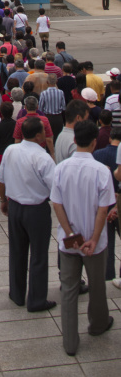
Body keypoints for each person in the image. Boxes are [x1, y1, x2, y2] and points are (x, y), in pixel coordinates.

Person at [51, 120, 115, 356]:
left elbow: (56, 203)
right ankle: (98, 324)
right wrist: (94, 239)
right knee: (97, 285)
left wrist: (70, 234)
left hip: (69, 240)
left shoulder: (60, 168)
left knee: (69, 290)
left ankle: (70, 341)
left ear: (75, 140)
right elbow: (102, 209)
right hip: (94, 242)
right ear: (95, 141)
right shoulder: (101, 171)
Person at [0, 116, 56, 312]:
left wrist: (4, 200)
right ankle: (37, 300)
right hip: (36, 209)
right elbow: (55, 187)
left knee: (17, 251)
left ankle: (17, 294)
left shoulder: (11, 150)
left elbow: (1, 178)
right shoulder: (43, 157)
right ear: (39, 135)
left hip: (15, 207)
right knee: (38, 255)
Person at [93, 126, 121, 280]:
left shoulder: (98, 155)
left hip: (104, 203)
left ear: (110, 138)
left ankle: (108, 275)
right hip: (119, 202)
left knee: (108, 241)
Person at [54, 99, 88, 164]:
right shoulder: (74, 141)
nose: (86, 122)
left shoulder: (61, 135)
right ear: (78, 118)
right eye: (85, 119)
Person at [38, 73, 66, 143]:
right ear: (56, 81)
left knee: (48, 138)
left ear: (47, 82)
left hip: (48, 117)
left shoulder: (43, 93)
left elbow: (40, 108)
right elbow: (64, 107)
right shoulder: (61, 92)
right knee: (57, 138)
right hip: (58, 118)